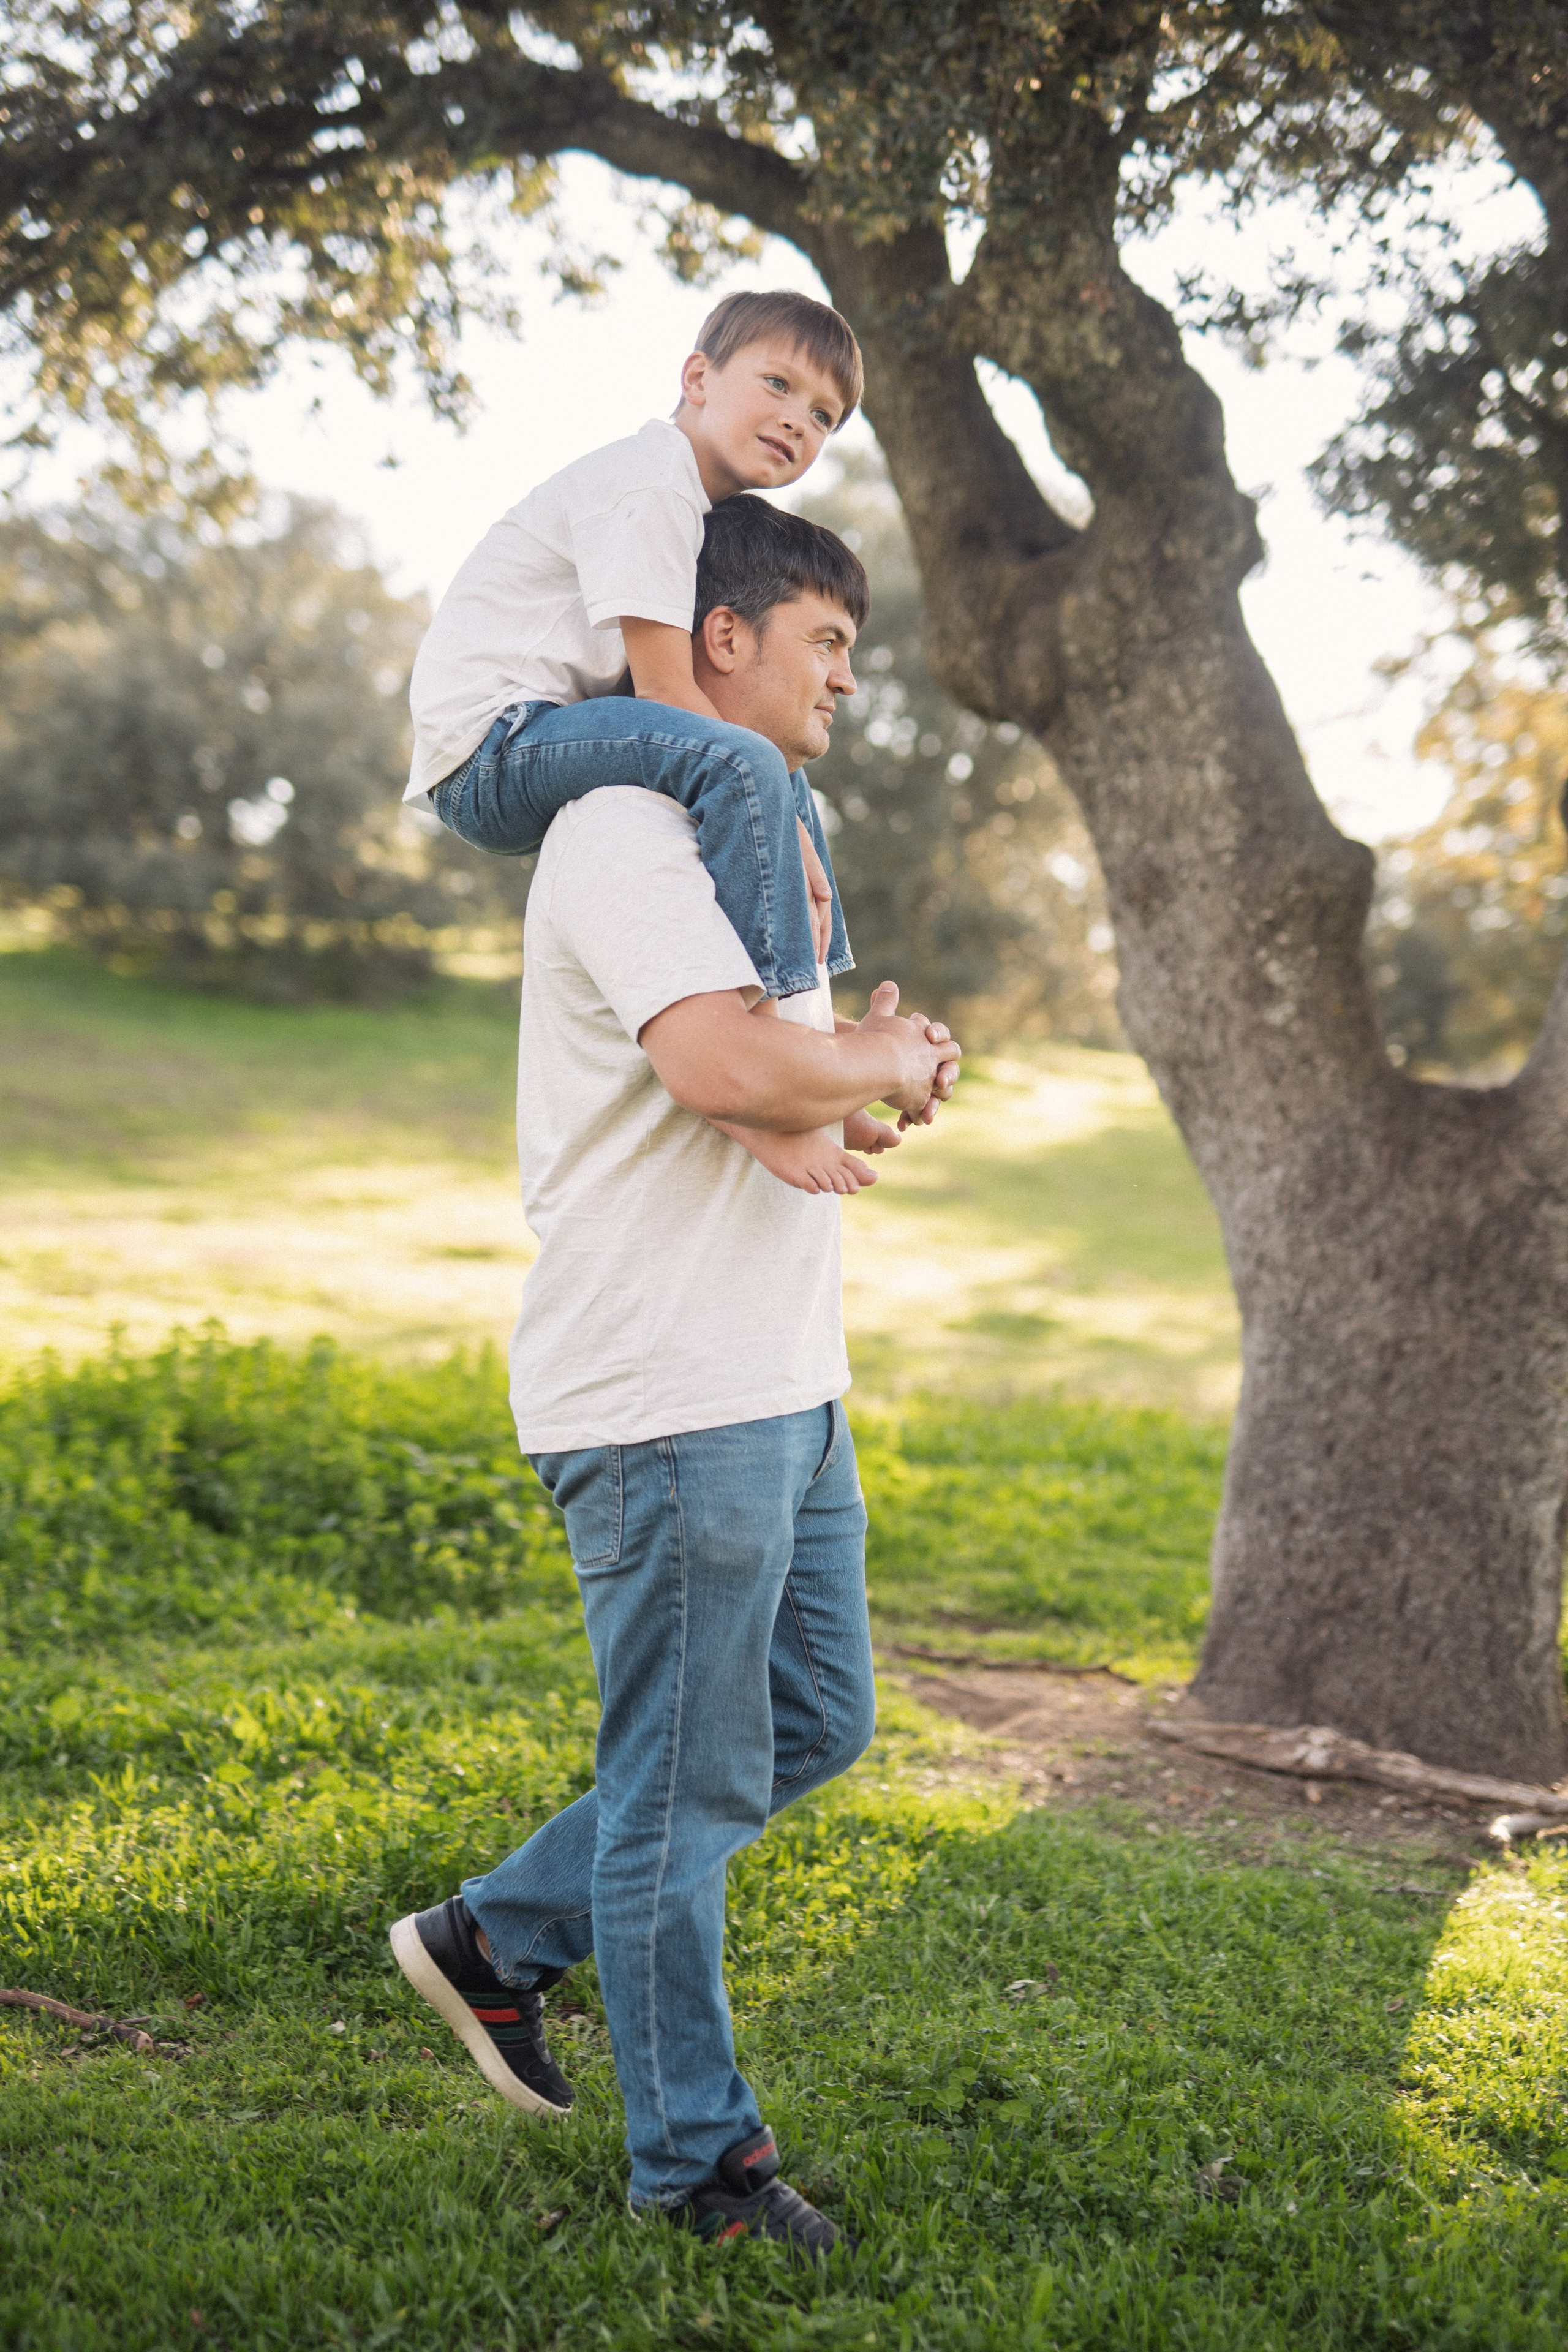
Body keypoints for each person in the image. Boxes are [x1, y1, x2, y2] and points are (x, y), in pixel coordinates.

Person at [389, 500, 960, 2256]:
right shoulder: (630, 823)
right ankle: (700, 2173)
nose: (849, 681)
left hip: (780, 1374)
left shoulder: (749, 828)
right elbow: (722, 1062)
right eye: (826, 643)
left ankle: (497, 1936)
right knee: (678, 1787)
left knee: (812, 1720)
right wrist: (856, 1057)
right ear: (717, 640)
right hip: (664, 1394)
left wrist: (868, 1070)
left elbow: (782, 1082)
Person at [407, 288, 878, 1194]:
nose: (797, 420)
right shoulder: (653, 484)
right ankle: (771, 1082)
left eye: (823, 415)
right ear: (697, 377)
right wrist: (787, 842)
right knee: (749, 761)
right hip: (491, 749)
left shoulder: (688, 506)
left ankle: (818, 1038)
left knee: (775, 769)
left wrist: (786, 813)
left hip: (534, 734)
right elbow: (670, 695)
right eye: (777, 384)